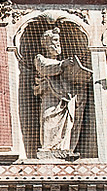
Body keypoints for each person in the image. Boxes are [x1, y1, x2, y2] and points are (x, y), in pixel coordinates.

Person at [32, 25, 89, 160]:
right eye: (54, 41)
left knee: (67, 123)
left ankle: (63, 148)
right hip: (51, 96)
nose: (58, 44)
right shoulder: (40, 58)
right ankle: (48, 148)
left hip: (66, 97)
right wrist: (62, 65)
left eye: (58, 41)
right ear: (46, 43)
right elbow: (44, 68)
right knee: (49, 118)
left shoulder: (62, 63)